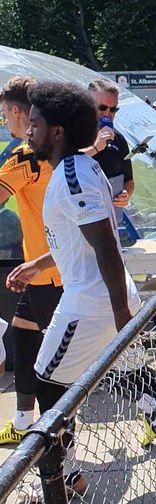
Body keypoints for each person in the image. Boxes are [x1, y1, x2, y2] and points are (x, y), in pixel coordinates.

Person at [16, 82, 156, 489]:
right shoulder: (82, 168)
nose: (27, 131)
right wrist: (41, 263)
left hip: (91, 304)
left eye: (34, 124)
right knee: (137, 379)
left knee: (47, 382)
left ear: (57, 131)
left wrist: (124, 318)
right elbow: (84, 240)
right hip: (106, 298)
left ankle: (64, 477)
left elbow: (106, 244)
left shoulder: (73, 175)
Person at [0, 76, 64, 445]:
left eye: (4, 114)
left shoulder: (26, 156)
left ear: (16, 111)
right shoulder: (55, 146)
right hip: (40, 270)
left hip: (51, 273)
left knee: (94, 365)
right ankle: (24, 423)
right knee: (23, 342)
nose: (4, 122)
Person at [84, 79, 135, 222]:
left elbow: (129, 180)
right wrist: (95, 148)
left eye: (113, 109)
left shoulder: (118, 138)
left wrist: (125, 194)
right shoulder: (71, 132)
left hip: (109, 218)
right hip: (77, 219)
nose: (107, 113)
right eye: (102, 107)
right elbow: (64, 164)